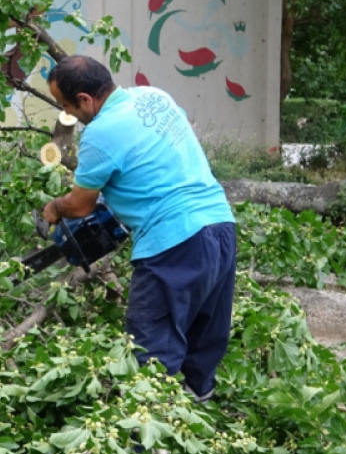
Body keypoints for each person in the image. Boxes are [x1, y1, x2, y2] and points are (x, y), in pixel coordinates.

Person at [42, 55, 237, 403]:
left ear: (86, 100)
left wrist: (55, 207)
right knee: (204, 337)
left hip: (173, 242)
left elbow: (80, 205)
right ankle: (198, 420)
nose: (69, 114)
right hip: (219, 224)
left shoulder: (100, 134)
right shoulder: (154, 96)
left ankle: (147, 439)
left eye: (68, 106)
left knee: (150, 345)